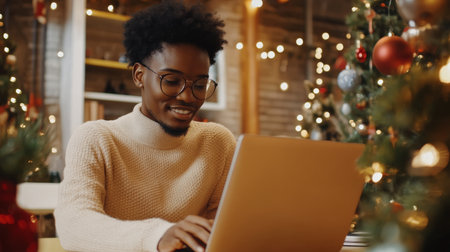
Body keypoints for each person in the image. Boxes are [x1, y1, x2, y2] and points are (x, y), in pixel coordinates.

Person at [54, 1, 236, 252]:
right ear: (139, 75)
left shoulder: (218, 142)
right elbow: (73, 224)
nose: (187, 97)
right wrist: (158, 236)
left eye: (199, 84)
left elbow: (225, 227)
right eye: (172, 81)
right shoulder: (96, 139)